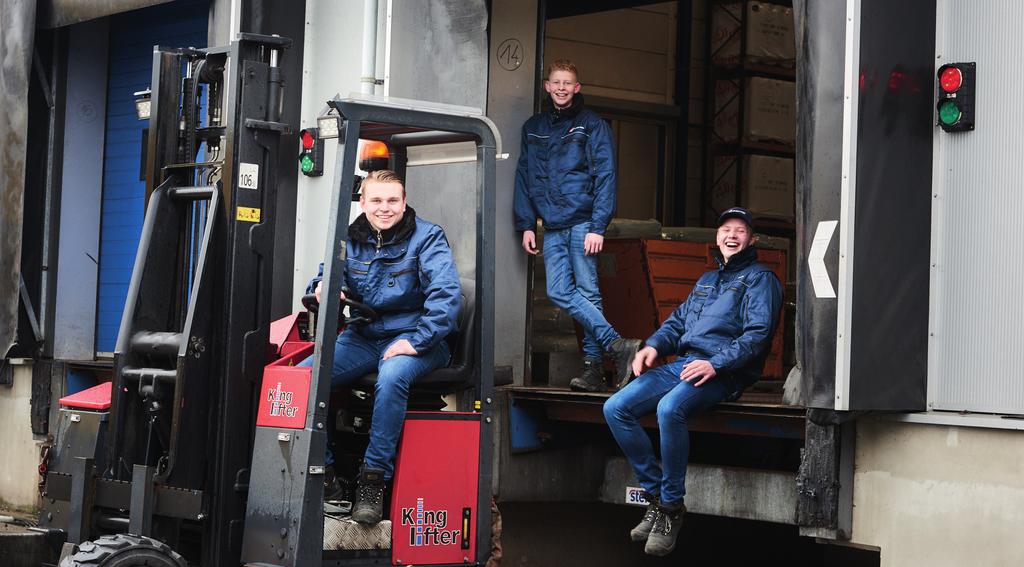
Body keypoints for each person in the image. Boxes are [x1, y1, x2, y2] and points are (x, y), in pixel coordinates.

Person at [603, 207, 783, 556]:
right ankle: (656, 498)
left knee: (670, 409)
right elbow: (677, 322)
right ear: (717, 236)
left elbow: (758, 335)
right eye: (726, 229)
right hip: (684, 365)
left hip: (724, 372)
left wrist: (715, 364)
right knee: (616, 407)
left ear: (752, 240)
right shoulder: (707, 280)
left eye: (740, 231)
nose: (731, 235)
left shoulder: (762, 279)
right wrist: (652, 346)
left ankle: (671, 508)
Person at [302, 169, 461, 525]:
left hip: (420, 338)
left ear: (404, 203)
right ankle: (326, 478)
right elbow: (329, 273)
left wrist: (415, 341)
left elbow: (446, 296)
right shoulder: (349, 238)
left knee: (390, 378)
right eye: (376, 200)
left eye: (392, 200)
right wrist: (324, 287)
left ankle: (372, 481)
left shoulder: (428, 238)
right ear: (363, 203)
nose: (384, 208)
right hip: (363, 337)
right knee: (303, 380)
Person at [514, 58, 640, 392]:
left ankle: (593, 369)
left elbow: (605, 175)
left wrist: (598, 226)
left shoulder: (591, 124)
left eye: (567, 83)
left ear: (577, 87)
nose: (561, 88)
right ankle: (617, 345)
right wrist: (527, 223)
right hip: (552, 225)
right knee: (559, 291)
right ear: (547, 86)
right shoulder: (533, 127)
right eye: (556, 82)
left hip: (583, 222)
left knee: (588, 294)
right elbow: (524, 177)